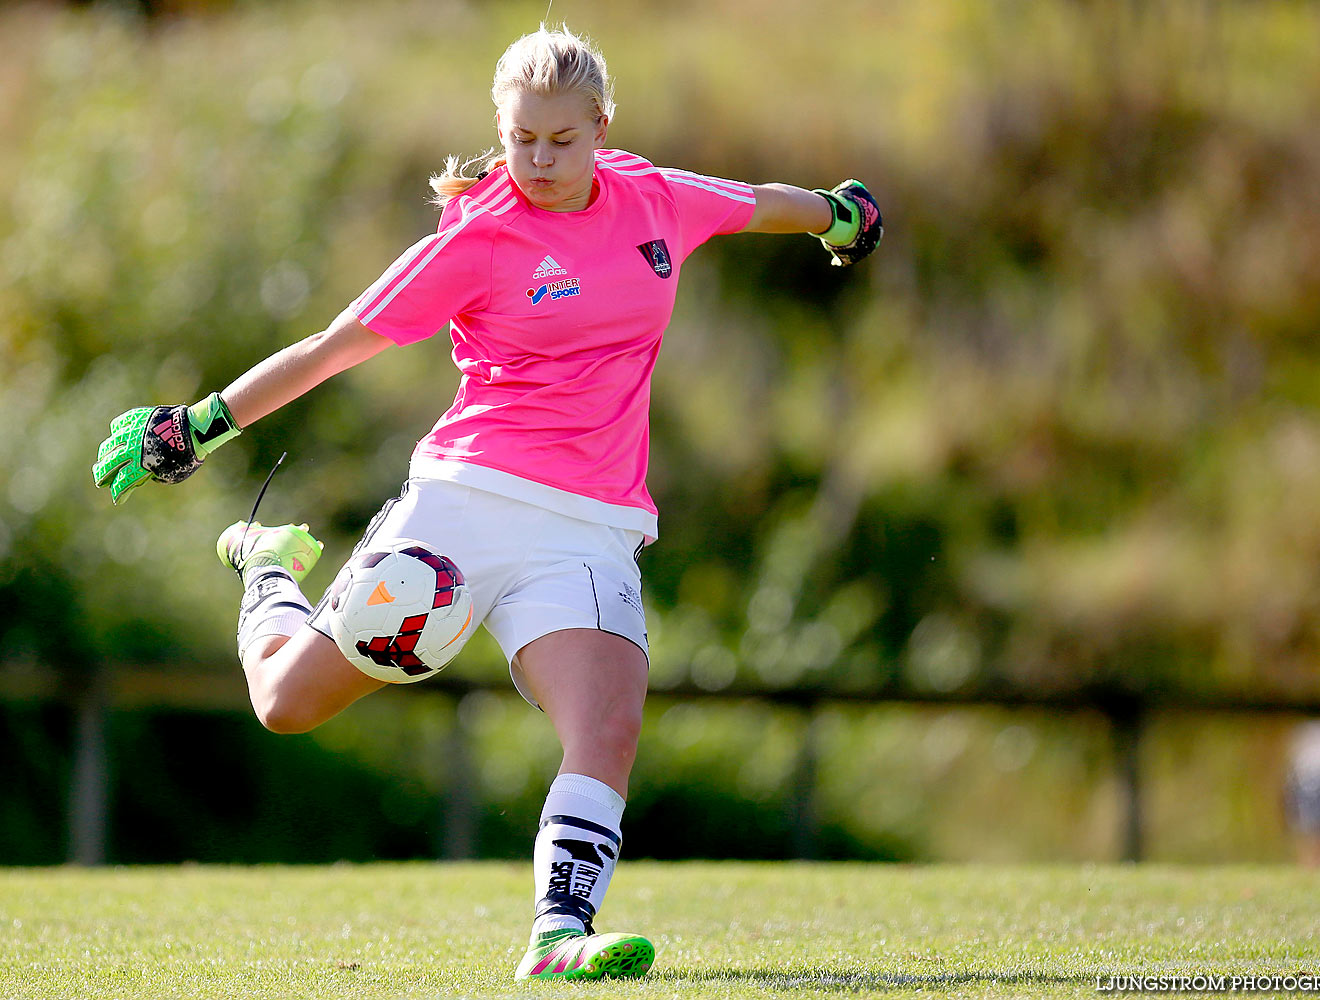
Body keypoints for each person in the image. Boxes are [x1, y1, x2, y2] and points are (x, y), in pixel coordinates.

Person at [92, 24, 881, 982]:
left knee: (609, 726)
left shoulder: (657, 198)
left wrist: (836, 215)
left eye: (559, 140)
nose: (538, 161)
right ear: (499, 131)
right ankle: (267, 565)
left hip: (592, 529)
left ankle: (558, 935)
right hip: (463, 509)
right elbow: (335, 344)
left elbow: (757, 204)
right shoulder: (482, 237)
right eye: (519, 140)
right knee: (284, 705)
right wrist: (199, 423)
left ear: (600, 126)